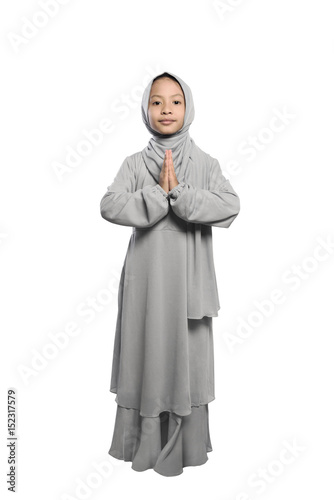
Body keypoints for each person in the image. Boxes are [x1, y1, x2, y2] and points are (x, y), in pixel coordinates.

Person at [100, 71, 240, 476]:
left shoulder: (205, 163)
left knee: (186, 358)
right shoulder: (133, 163)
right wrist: (157, 195)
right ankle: (141, 446)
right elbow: (109, 205)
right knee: (145, 351)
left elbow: (230, 205)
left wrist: (181, 193)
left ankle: (185, 445)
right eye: (157, 101)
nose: (166, 109)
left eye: (175, 101)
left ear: (188, 107)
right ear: (146, 108)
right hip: (145, 282)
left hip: (189, 285)